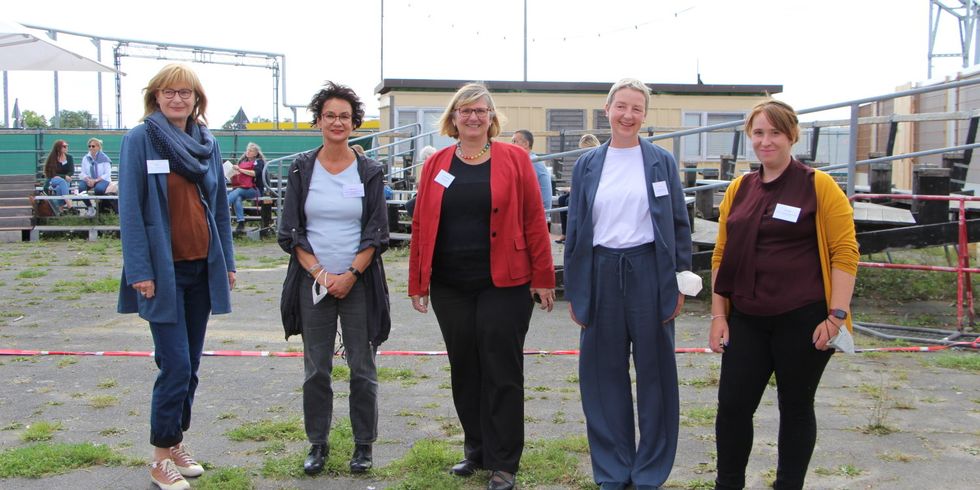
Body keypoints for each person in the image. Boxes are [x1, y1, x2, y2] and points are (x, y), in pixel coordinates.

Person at [408, 82, 555, 490]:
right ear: (453, 118)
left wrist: (544, 277)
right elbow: (421, 225)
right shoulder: (436, 162)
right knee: (465, 368)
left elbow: (534, 220)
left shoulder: (515, 158)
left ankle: (504, 461)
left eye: (481, 110)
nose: (473, 117)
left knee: (501, 369)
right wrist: (418, 281)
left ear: (492, 118)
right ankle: (476, 451)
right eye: (465, 110)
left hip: (505, 283)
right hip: (450, 285)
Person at [708, 99, 858, 490]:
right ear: (749, 138)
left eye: (775, 132)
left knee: (795, 408)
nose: (766, 141)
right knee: (733, 408)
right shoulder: (739, 188)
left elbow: (845, 252)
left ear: (792, 135)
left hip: (804, 320)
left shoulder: (818, 185)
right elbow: (722, 254)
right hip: (747, 320)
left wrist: (836, 317)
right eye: (758, 133)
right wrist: (718, 315)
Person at [563, 78, 693, 490]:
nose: (628, 115)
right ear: (607, 110)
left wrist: (677, 285)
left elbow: (678, 226)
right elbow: (577, 228)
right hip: (601, 272)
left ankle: (650, 471)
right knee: (602, 378)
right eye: (621, 106)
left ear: (645, 115)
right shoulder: (587, 164)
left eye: (636, 108)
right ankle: (613, 471)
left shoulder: (661, 162)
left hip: (649, 271)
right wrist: (576, 287)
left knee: (656, 375)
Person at [116, 63, 236, 490]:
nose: (177, 99)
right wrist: (140, 271)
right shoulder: (140, 138)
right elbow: (130, 210)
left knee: (192, 367)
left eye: (185, 92)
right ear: (156, 96)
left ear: (197, 99)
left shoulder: (207, 142)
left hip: (202, 269)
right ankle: (159, 458)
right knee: (176, 366)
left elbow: (219, 207)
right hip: (162, 274)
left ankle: (174, 444)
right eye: (168, 92)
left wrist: (229, 263)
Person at [277, 81, 391, 477]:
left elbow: (378, 232)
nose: (337, 122)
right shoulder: (300, 168)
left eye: (345, 116)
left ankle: (364, 446)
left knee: (362, 367)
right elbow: (291, 232)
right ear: (319, 121)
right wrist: (323, 274)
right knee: (316, 370)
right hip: (314, 283)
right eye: (330, 115)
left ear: (355, 122)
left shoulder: (369, 170)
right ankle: (318, 444)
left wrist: (350, 274)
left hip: (359, 282)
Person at [555, 133, 600, 244]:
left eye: (584, 150)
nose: (582, 153)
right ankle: (565, 233)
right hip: (581, 189)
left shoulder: (597, 159)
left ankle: (573, 234)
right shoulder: (583, 160)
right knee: (562, 200)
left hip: (591, 190)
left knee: (569, 201)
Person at [511, 129, 552, 218]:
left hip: (536, 214)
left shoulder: (532, 162)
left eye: (514, 141)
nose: (511, 145)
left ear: (526, 144)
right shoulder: (529, 160)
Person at [227, 142, 266, 233]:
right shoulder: (242, 161)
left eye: (251, 151)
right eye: (247, 150)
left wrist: (239, 169)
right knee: (237, 198)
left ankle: (223, 206)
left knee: (239, 191)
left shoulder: (259, 162)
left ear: (256, 153)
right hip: (243, 187)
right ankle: (241, 223)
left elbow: (255, 173)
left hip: (256, 190)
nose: (248, 152)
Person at [78, 138, 114, 216]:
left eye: (93, 146)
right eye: (89, 146)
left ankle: (100, 210)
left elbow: (107, 174)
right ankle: (90, 207)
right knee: (81, 188)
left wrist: (95, 180)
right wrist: (88, 179)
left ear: (98, 147)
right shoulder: (85, 158)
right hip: (89, 179)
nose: (91, 148)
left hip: (102, 180)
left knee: (99, 189)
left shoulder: (104, 158)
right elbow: (83, 172)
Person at [42, 140, 73, 214]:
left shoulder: (69, 157)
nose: (66, 148)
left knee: (60, 187)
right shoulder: (52, 158)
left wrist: (66, 176)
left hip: (65, 180)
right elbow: (51, 173)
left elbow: (71, 171)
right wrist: (63, 176)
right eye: (64, 146)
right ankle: (69, 205)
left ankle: (60, 211)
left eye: (67, 146)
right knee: (62, 182)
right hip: (53, 179)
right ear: (58, 148)